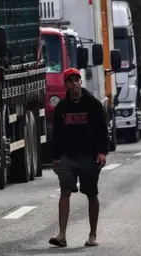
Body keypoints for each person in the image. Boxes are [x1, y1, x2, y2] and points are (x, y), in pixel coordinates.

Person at [49, 68, 109, 248]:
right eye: (70, 81)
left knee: (91, 193)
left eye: (77, 80)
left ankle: (92, 235)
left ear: (81, 82)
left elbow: (102, 130)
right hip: (68, 157)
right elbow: (57, 134)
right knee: (65, 191)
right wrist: (55, 158)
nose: (74, 84)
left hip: (89, 157)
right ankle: (61, 235)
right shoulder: (61, 108)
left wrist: (102, 152)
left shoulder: (93, 104)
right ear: (65, 84)